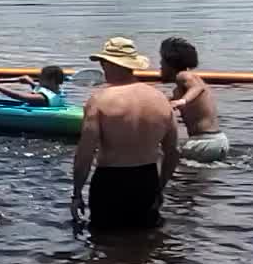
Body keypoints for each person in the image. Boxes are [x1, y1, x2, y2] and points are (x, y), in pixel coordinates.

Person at [73, 37, 180, 230]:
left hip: (111, 181)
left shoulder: (100, 100)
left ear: (109, 64)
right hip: (147, 179)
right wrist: (160, 188)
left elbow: (85, 153)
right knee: (145, 242)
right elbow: (172, 151)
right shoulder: (160, 99)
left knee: (104, 243)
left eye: (102, 63)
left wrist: (77, 193)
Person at [160, 37, 229, 162]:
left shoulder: (184, 76)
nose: (160, 66)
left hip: (203, 142)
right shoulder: (181, 88)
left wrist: (182, 101)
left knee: (166, 161)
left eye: (162, 62)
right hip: (219, 140)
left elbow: (197, 88)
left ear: (170, 63)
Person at [0, 65, 68, 107]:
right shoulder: (59, 92)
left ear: (52, 80)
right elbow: (46, 92)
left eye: (41, 77)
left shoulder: (41, 98)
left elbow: (19, 96)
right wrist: (31, 83)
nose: (39, 79)